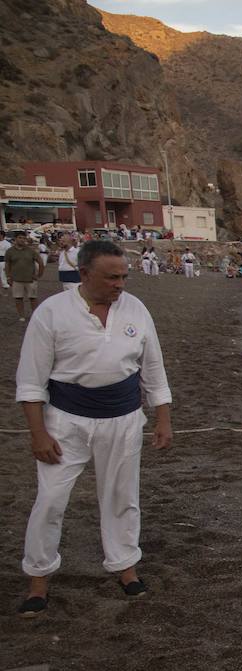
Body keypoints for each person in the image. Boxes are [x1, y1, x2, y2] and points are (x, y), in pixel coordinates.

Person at [14, 240, 173, 615]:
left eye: (124, 277)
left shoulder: (135, 309)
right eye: (111, 277)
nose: (120, 284)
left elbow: (153, 369)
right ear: (84, 274)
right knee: (51, 499)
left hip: (123, 417)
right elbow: (31, 381)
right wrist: (38, 433)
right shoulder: (52, 313)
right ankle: (39, 577)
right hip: (65, 420)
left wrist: (162, 417)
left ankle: (125, 567)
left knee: (121, 496)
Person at [5, 234, 46, 321]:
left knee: (33, 298)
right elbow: (7, 264)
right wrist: (8, 277)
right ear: (15, 239)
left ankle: (35, 315)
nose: (22, 240)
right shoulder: (10, 251)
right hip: (16, 279)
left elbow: (40, 262)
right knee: (18, 298)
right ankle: (21, 316)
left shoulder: (31, 251)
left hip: (30, 279)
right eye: (20, 237)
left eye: (24, 238)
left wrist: (39, 275)